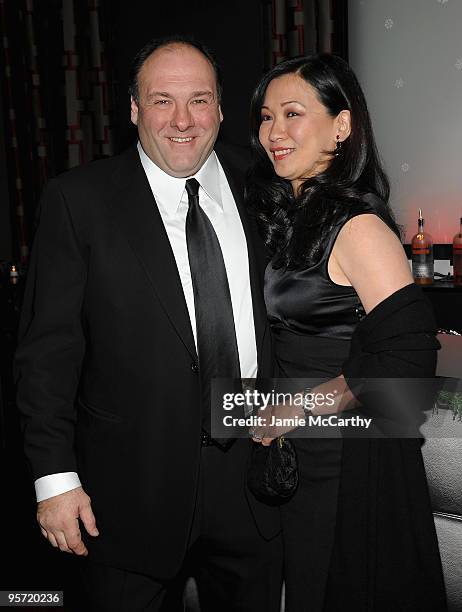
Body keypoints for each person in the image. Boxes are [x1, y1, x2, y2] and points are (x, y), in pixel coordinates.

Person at [14, 36, 282, 612]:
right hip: (126, 490)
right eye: (162, 101)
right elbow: (47, 355)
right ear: (134, 110)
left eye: (199, 100)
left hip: (254, 480)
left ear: (220, 109)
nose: (182, 120)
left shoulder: (266, 185)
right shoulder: (77, 200)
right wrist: (55, 480)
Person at [246, 54, 447, 611]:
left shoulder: (358, 227)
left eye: (293, 113)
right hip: (297, 454)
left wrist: (304, 407)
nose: (274, 132)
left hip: (343, 459)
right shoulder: (290, 219)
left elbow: (409, 355)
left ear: (341, 125)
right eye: (266, 116)